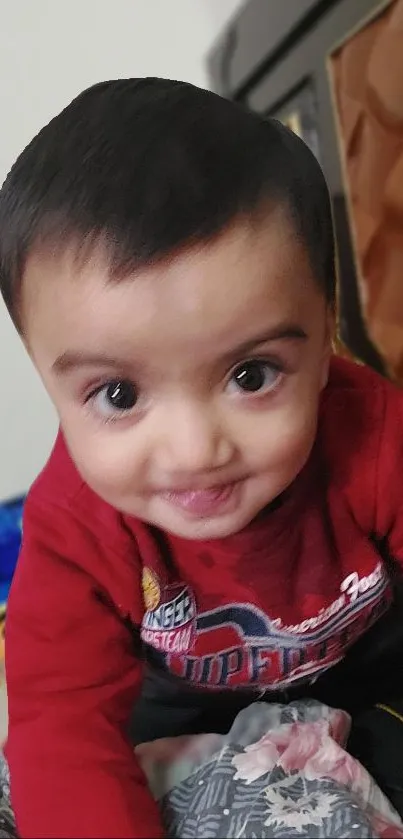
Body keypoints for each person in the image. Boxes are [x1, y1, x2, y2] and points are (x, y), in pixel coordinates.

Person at [0, 77, 402, 839]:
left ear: (325, 339)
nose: (194, 451)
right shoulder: (73, 524)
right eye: (118, 394)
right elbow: (61, 719)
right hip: (183, 700)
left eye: (251, 375)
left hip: (369, 668)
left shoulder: (375, 434)